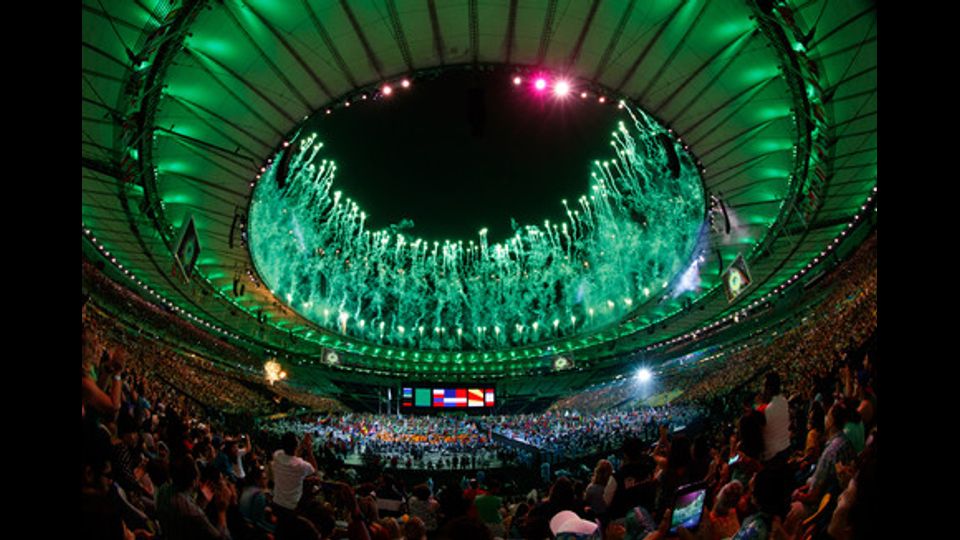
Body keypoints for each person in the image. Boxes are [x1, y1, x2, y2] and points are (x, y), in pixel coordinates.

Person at [156, 455, 232, 539]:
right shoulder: (195, 513)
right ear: (194, 481)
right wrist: (222, 511)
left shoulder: (163, 490)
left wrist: (201, 504)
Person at [270, 432, 317, 515]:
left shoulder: (277, 455)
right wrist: (309, 450)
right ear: (296, 446)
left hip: (276, 503)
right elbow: (314, 470)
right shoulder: (301, 465)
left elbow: (292, 456)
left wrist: (301, 444)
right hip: (292, 508)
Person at [760, 372, 790, 463]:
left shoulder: (767, 410)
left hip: (772, 456)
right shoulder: (784, 401)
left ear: (768, 388)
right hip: (786, 448)